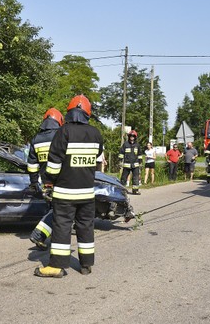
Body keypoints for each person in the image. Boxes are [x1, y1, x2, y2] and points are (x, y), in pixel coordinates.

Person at [35, 95, 103, 278]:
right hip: (87, 193)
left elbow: (54, 164)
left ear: (69, 113)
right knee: (86, 226)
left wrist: (49, 181)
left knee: (62, 226)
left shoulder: (63, 132)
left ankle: (56, 266)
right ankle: (86, 264)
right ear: (87, 114)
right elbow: (97, 162)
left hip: (65, 193)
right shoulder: (96, 134)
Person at [27, 108, 64, 250]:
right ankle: (40, 234)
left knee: (52, 207)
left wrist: (34, 182)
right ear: (59, 121)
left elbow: (32, 165)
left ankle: (49, 236)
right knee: (60, 209)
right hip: (60, 180)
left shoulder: (36, 139)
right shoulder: (61, 135)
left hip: (45, 182)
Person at [118, 130, 142, 194]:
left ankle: (135, 190)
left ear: (135, 137)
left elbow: (139, 154)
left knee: (135, 178)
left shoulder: (137, 145)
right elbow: (121, 153)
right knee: (123, 178)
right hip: (127, 164)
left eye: (133, 136)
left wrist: (140, 162)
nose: (132, 137)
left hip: (135, 164)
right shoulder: (125, 144)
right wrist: (120, 161)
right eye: (131, 136)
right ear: (129, 137)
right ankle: (122, 191)